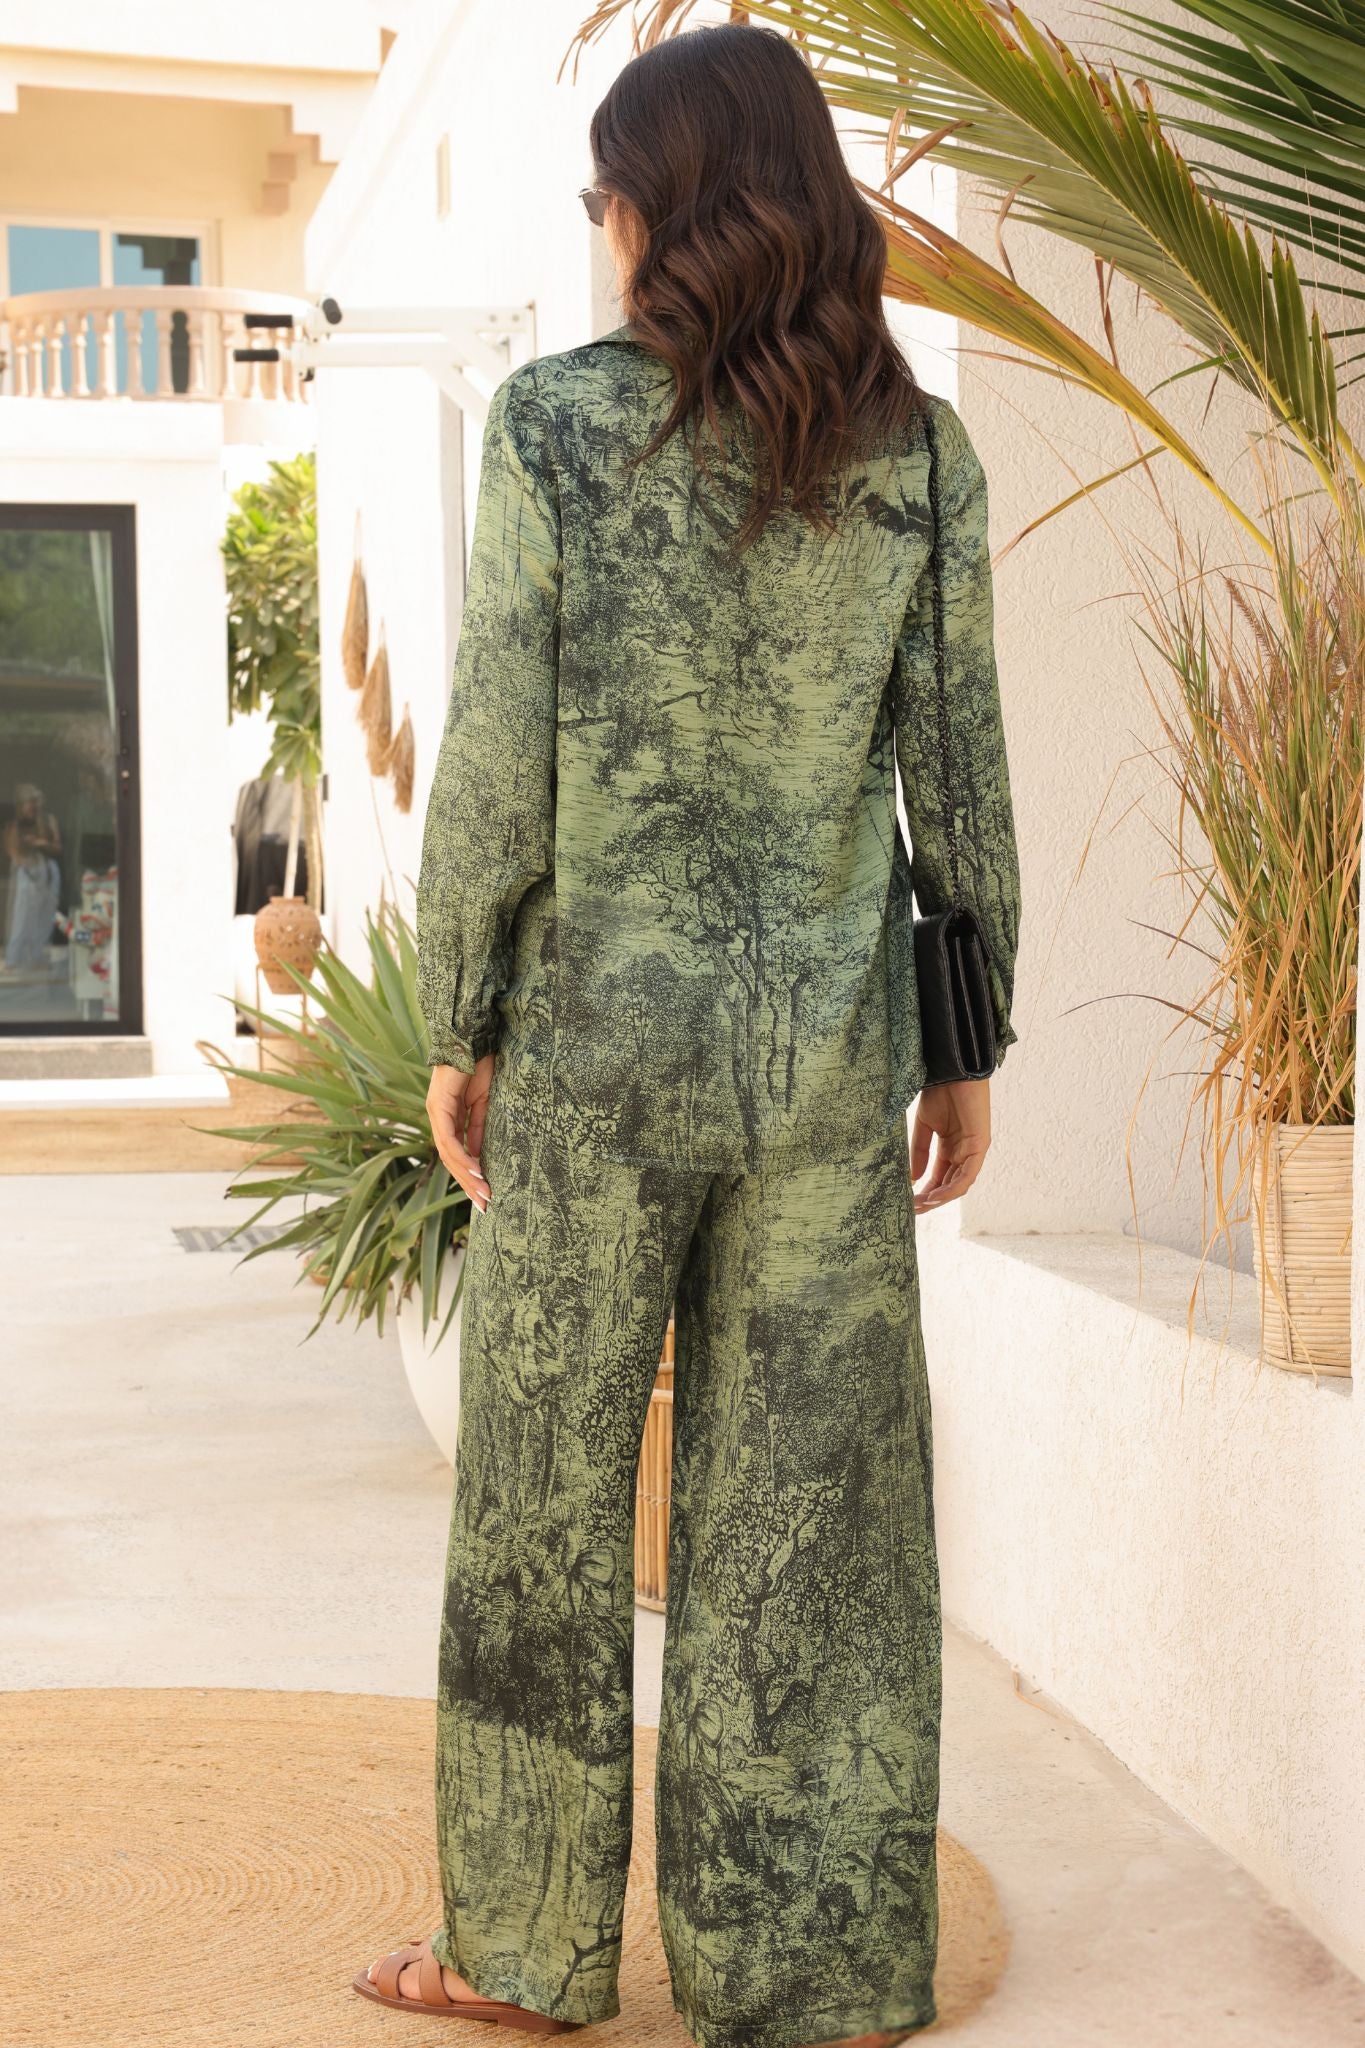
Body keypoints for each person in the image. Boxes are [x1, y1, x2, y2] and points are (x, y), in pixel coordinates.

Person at [357, 23, 1021, 2048]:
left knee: (547, 1509)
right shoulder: (915, 452)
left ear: (664, 202)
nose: (599, 225)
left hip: (589, 1058)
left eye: (605, 189)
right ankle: (804, 1967)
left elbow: (496, 769)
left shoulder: (559, 431)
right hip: (819, 1068)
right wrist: (961, 1042)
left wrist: (456, 1015)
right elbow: (957, 775)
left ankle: (525, 1949)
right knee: (806, 1514)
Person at [3, 784, 63, 973]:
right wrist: (27, 863)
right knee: (21, 917)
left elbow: (57, 848)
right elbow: (13, 851)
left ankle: (37, 957)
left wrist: (41, 843)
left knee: (45, 916)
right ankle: (13, 959)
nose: (33, 806)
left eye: (35, 802)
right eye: (29, 803)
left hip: (48, 871)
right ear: (21, 805)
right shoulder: (16, 825)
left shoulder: (48, 820)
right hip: (27, 873)